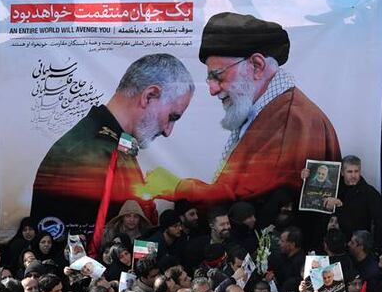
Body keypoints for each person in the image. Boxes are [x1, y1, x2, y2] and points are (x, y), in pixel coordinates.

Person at [150, 12, 341, 204]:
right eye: (210, 79)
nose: (213, 90)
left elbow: (247, 202)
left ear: (257, 66)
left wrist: (177, 187)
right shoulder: (268, 109)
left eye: (218, 76)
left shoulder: (292, 121)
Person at [30, 54, 195, 224]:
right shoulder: (88, 153)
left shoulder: (115, 143)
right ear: (150, 96)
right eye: (172, 117)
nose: (168, 132)